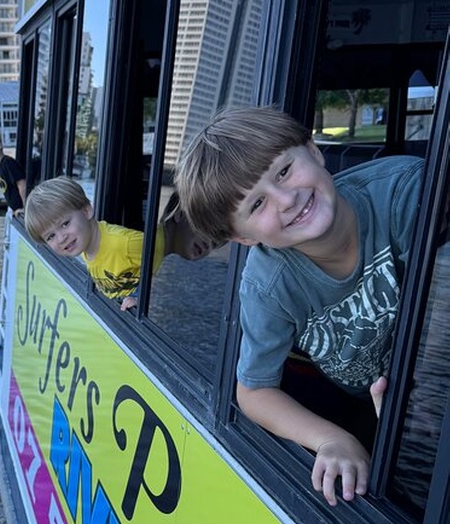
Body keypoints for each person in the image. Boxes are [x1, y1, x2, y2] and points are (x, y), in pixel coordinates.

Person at [175, 106, 424, 506]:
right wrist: (331, 439)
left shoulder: (404, 193)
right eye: (256, 206)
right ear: (241, 237)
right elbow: (254, 390)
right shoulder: (268, 286)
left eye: (284, 171)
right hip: (371, 409)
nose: (287, 200)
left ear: (312, 149)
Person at [24, 176, 215, 311]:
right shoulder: (82, 245)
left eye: (65, 224)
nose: (61, 238)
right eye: (50, 236)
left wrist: (139, 296)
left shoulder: (125, 243)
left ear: (87, 211)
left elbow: (153, 257)